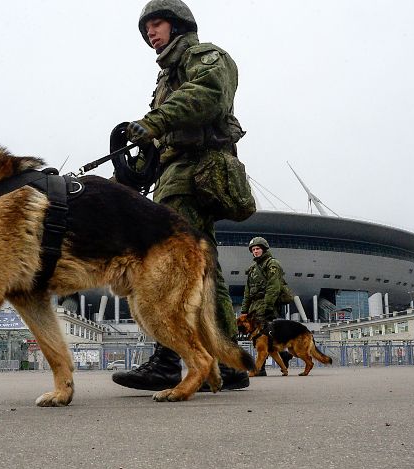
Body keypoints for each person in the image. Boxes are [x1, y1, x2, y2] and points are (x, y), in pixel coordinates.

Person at [112, 0, 251, 392]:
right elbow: (158, 141)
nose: (151, 33)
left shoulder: (205, 57)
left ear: (178, 25)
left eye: (157, 24)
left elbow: (209, 94)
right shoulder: (166, 77)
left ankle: (170, 360)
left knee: (172, 262)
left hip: (196, 170)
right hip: (176, 171)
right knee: (204, 267)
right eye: (147, 29)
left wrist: (152, 123)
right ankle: (228, 361)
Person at [241, 236, 293, 376]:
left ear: (264, 249)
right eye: (253, 249)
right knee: (258, 336)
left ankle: (261, 368)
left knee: (261, 337)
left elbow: (273, 287)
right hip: (254, 306)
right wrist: (244, 310)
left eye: (258, 249)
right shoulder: (252, 269)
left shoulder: (272, 264)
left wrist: (268, 307)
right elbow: (247, 290)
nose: (255, 251)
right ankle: (284, 356)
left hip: (266, 304)